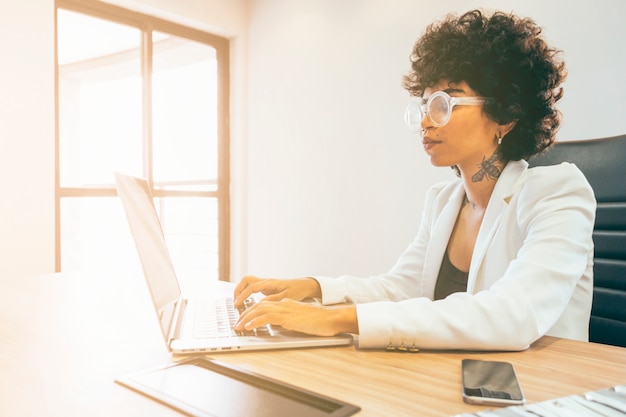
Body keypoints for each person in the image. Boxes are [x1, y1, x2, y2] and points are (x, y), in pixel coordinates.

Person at [234, 9, 596, 351]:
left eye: (443, 104)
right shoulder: (443, 201)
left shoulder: (558, 194)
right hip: (465, 381)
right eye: (424, 107)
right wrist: (312, 289)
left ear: (507, 114)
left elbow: (514, 314)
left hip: (548, 393)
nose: (425, 122)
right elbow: (401, 288)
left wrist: (337, 319)